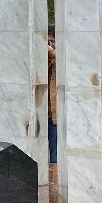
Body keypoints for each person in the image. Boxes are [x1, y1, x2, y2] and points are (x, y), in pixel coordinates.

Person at [46, 26, 57, 164]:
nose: (50, 45)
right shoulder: (48, 60)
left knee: (55, 159)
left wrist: (50, 51)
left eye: (53, 41)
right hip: (46, 115)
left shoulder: (59, 58)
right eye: (48, 42)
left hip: (57, 118)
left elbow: (58, 57)